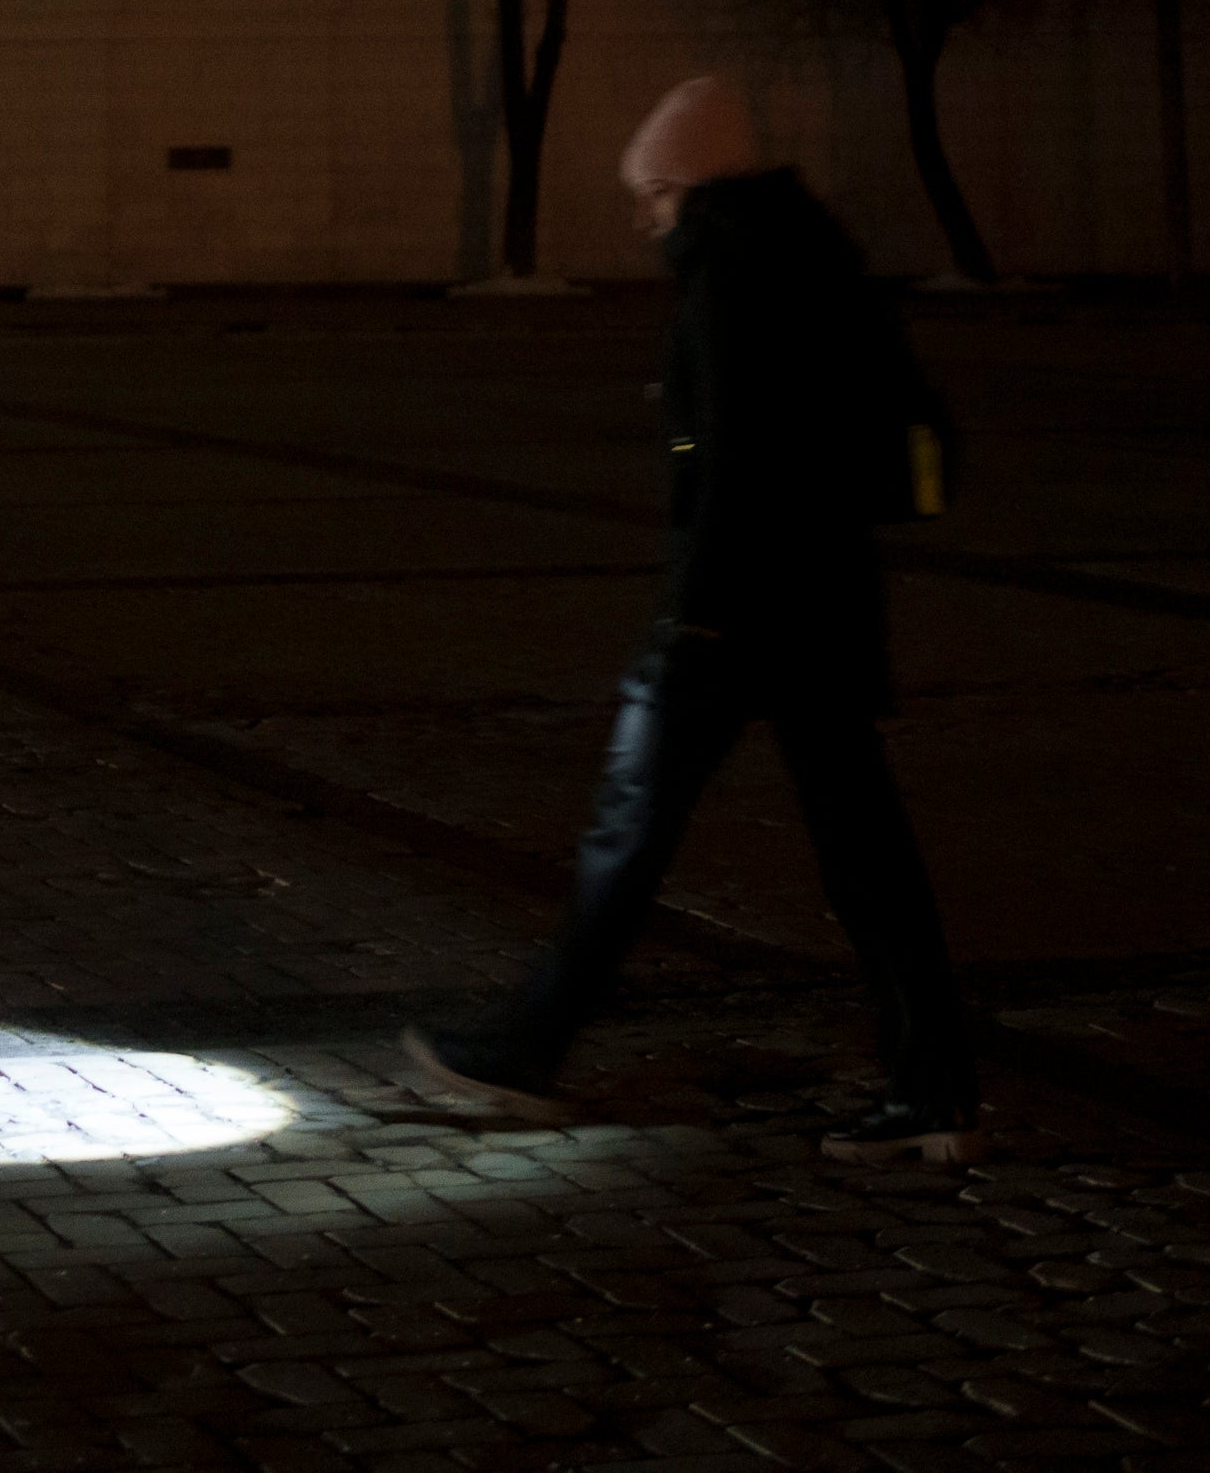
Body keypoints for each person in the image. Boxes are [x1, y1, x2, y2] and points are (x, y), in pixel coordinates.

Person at [404, 76, 982, 1160]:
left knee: (625, 837)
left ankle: (523, 1051)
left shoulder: (726, 273)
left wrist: (692, 616)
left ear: (686, 187)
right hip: (824, 608)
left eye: (651, 194)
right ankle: (936, 1090)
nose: (644, 219)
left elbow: (732, 461)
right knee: (866, 860)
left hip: (733, 615)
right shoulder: (819, 257)